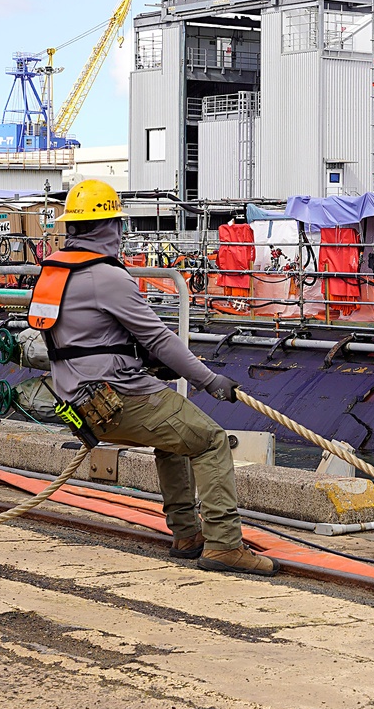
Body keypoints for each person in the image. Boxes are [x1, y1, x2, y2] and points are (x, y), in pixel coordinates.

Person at [29, 180, 277, 577]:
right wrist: (210, 380)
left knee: (177, 438)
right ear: (108, 226)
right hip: (120, 398)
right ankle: (225, 545)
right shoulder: (107, 276)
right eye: (117, 225)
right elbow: (160, 338)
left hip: (78, 404)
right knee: (210, 440)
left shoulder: (52, 272)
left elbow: (77, 338)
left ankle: (187, 535)